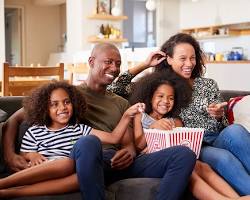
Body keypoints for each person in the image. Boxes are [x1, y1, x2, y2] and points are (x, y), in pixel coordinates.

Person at [2, 43, 196, 200]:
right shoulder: (68, 96)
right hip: (89, 161)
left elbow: (128, 143)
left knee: (184, 154)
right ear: (91, 62)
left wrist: (127, 152)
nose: (114, 68)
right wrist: (10, 154)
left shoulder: (120, 102)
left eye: (118, 63)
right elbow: (14, 119)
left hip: (120, 164)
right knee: (88, 142)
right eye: (108, 62)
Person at [108, 33, 250, 195]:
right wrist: (145, 64)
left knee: (236, 130)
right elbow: (114, 89)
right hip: (194, 145)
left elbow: (224, 125)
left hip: (217, 136)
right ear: (169, 59)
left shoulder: (208, 84)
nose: (189, 63)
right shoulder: (161, 86)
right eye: (183, 58)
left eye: (193, 58)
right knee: (223, 158)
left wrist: (219, 115)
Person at [0, 80, 145, 198]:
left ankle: (8, 193)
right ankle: (3, 183)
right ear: (44, 109)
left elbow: (114, 138)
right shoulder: (35, 131)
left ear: (74, 104)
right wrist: (32, 154)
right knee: (65, 164)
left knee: (81, 177)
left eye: (66, 102)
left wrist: (126, 116)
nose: (62, 107)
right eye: (54, 104)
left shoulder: (80, 129)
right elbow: (24, 153)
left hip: (66, 174)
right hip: (41, 171)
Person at [129, 72, 249, 200]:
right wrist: (153, 126)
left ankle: (236, 198)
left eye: (171, 98)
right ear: (150, 97)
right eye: (160, 96)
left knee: (202, 166)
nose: (166, 101)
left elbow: (181, 138)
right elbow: (138, 145)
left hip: (177, 155)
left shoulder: (173, 120)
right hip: (155, 159)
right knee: (190, 170)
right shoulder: (140, 116)